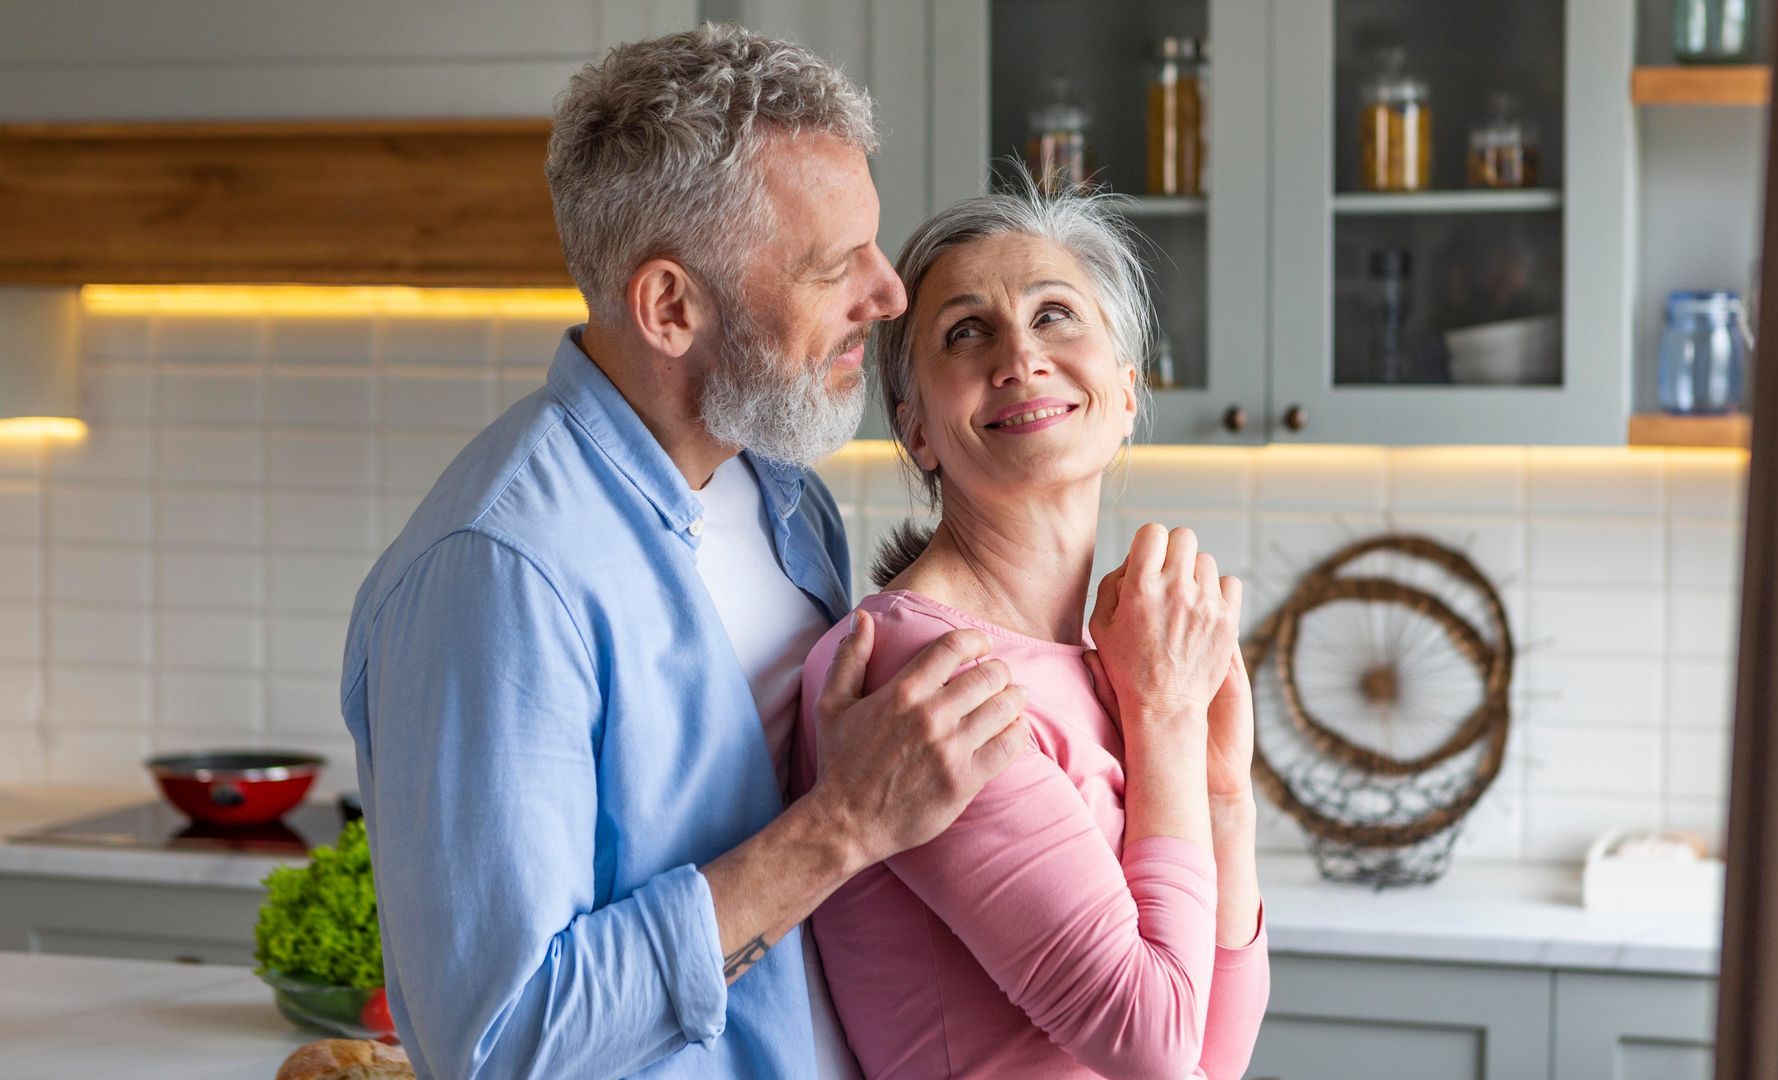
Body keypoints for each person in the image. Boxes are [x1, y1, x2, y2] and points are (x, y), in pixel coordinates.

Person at [339, 25, 1031, 1078]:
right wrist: (842, 827)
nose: (889, 295)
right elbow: (503, 1045)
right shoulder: (497, 572)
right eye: (835, 267)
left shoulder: (785, 494)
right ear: (670, 307)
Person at [793, 185, 1270, 1078]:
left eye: (1055, 314)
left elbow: (1216, 1051)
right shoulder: (922, 673)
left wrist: (1222, 800)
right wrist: (1164, 717)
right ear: (917, 430)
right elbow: (1154, 1047)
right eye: (965, 332)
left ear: (1127, 390)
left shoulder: (1106, 669)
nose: (1021, 355)